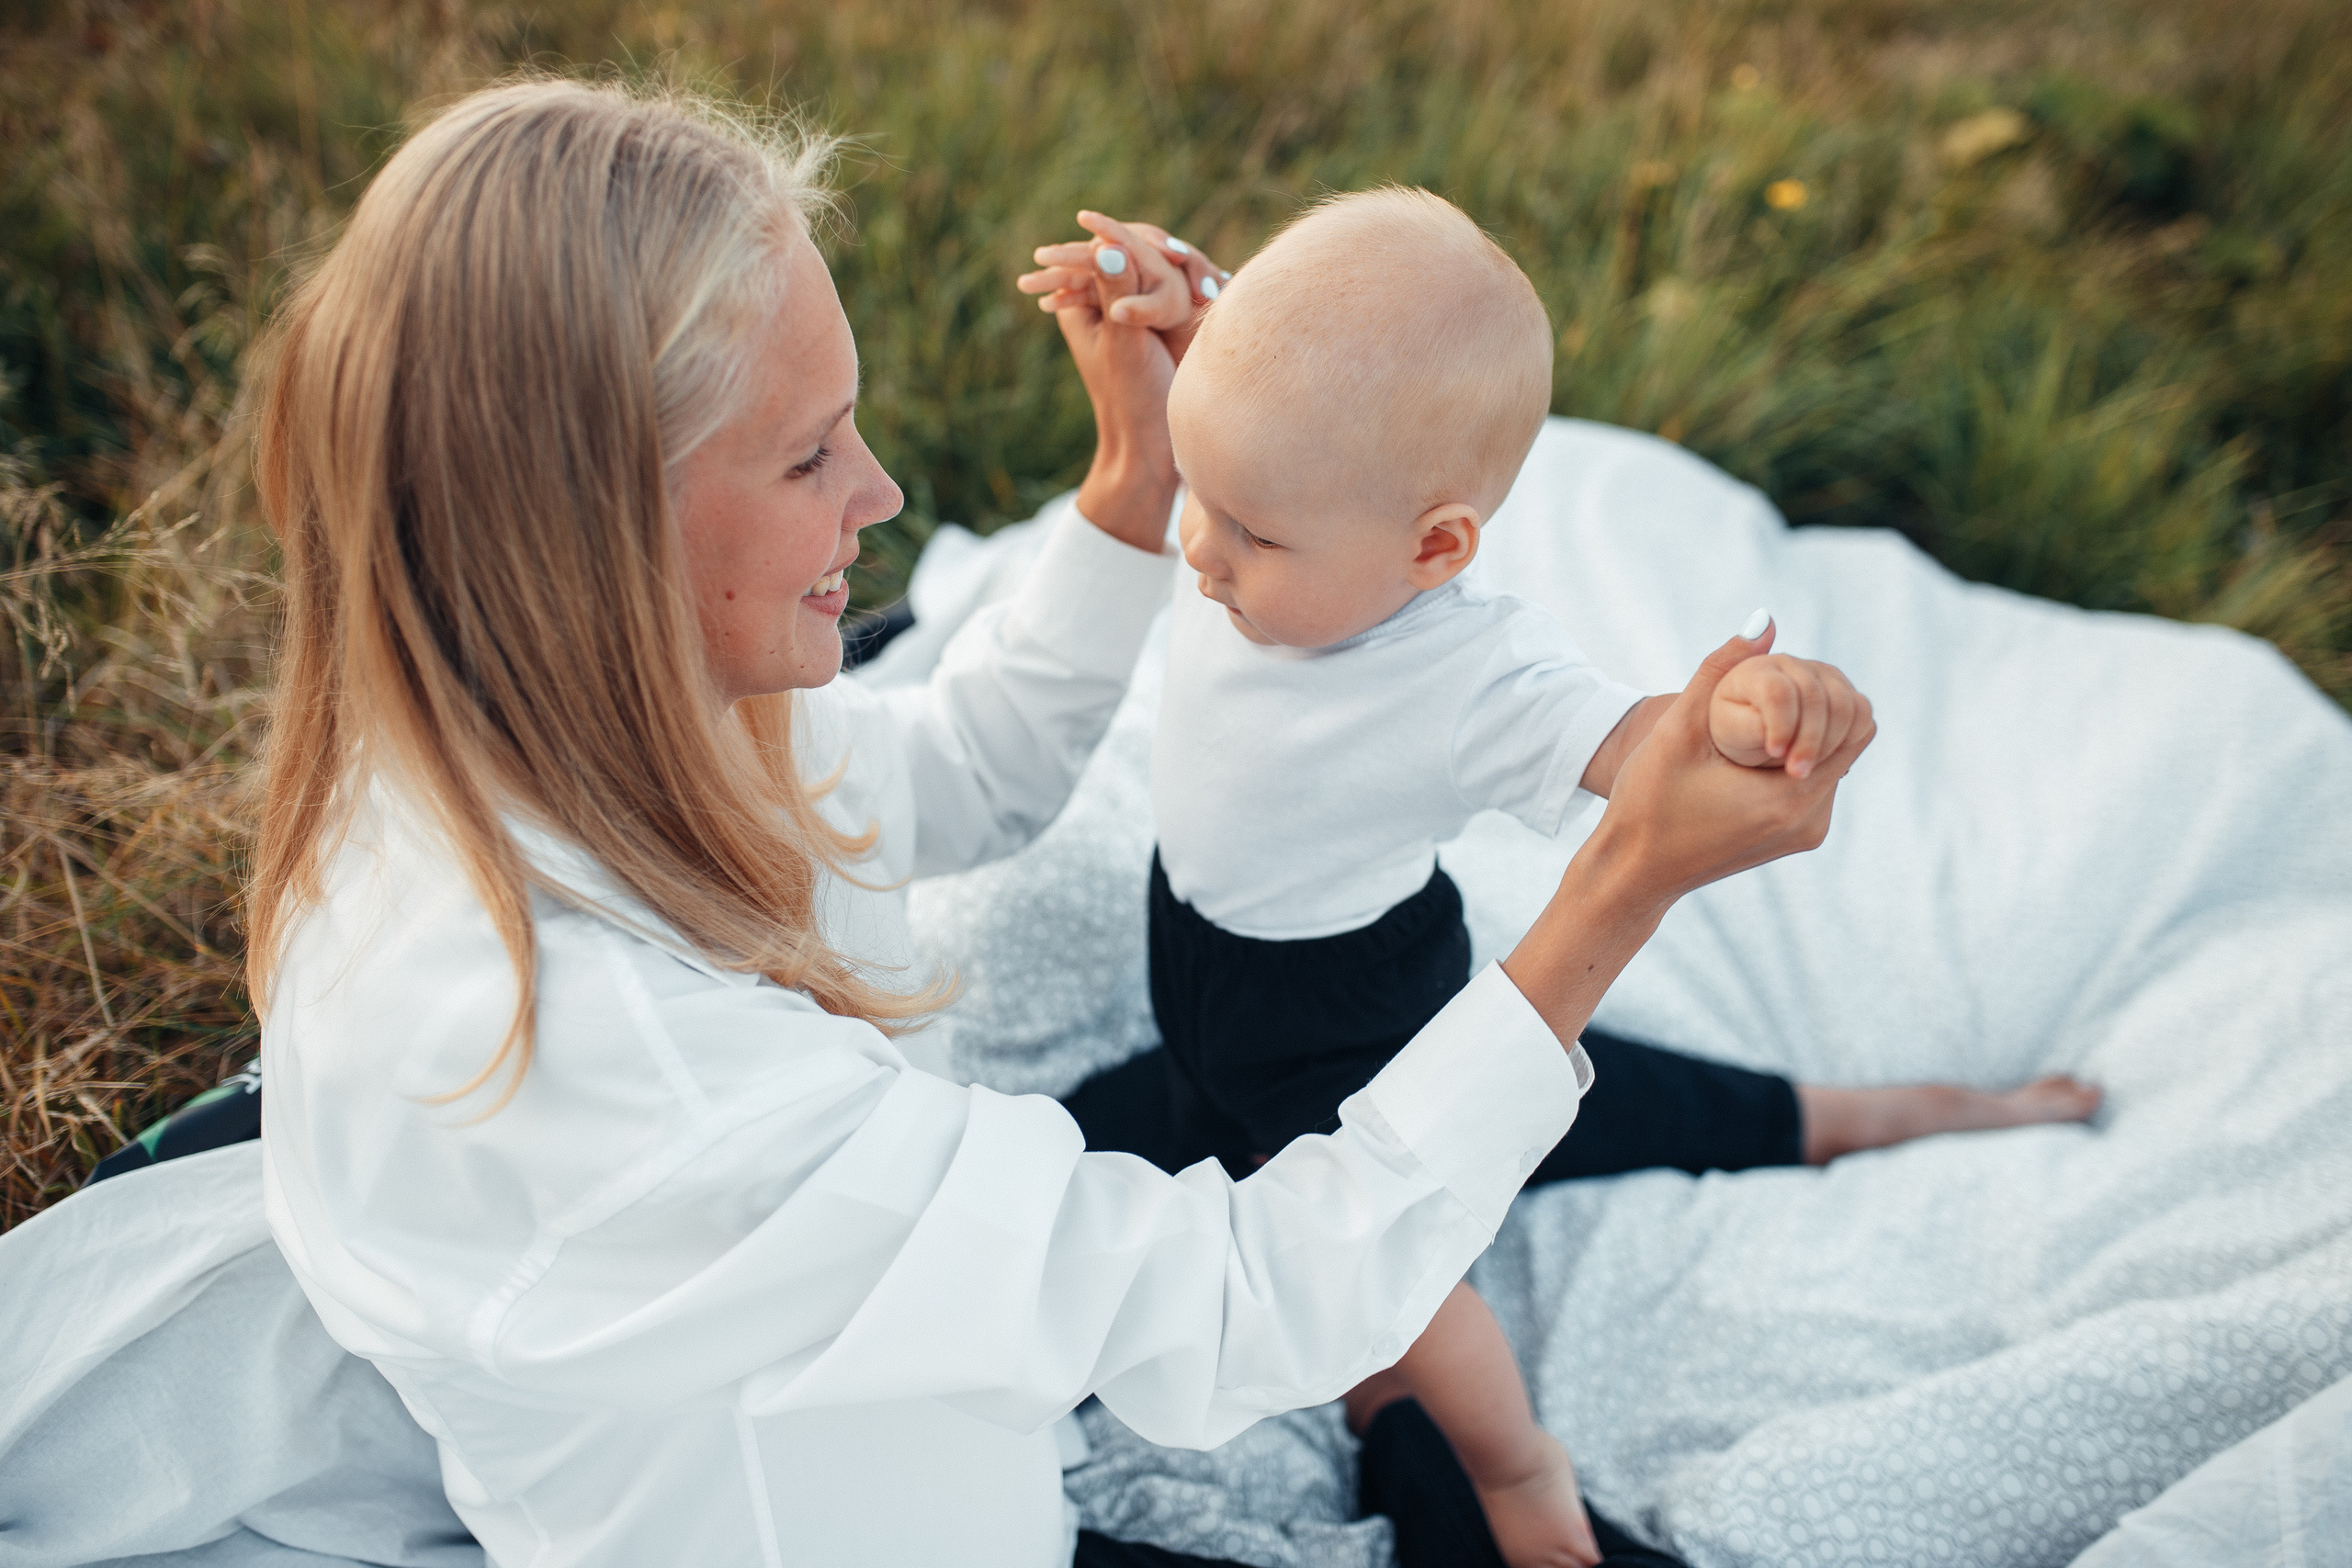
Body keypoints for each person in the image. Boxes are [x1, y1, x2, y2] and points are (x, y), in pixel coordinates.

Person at [251, 78, 1872, 1568]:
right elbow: (1251, 1301)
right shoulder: (628, 1072)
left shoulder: (602, 709)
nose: (882, 495)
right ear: (587, 534)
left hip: (949, 1379)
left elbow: (964, 771)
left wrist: (1131, 478)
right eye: (811, 455)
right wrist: (1625, 881)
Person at [1018, 194, 2101, 1566]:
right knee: (1161, 1149)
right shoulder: (1281, 464)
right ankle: (1850, 1115)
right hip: (1204, 961)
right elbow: (1251, 342)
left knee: (1396, 1282)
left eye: (1251, 531)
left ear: (1435, 548)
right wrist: (1175, 311)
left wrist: (1749, 708)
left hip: (1332, 1006)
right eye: (1198, 488)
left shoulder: (1464, 672)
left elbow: (1633, 739)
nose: (1201, 549)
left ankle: (1523, 1473)